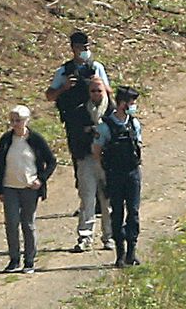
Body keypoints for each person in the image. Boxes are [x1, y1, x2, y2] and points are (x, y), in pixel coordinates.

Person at [45, 31, 113, 209]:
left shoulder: (96, 67)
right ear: (73, 48)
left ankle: (102, 200)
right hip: (75, 124)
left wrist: (96, 83)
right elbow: (50, 95)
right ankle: (86, 201)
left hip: (97, 119)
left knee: (102, 158)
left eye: (87, 47)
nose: (84, 51)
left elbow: (108, 91)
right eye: (81, 48)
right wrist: (64, 87)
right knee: (80, 161)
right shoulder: (64, 71)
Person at [0, 105, 57, 274]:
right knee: (11, 223)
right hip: (10, 188)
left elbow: (51, 161)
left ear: (26, 120)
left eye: (18, 120)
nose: (15, 124)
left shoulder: (36, 139)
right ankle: (14, 259)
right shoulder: (6, 139)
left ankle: (29, 261)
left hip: (30, 188)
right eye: (12, 120)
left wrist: (41, 180)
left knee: (28, 224)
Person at [92, 86, 143, 267]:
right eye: (131, 103)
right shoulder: (105, 126)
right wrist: (103, 173)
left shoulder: (134, 124)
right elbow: (96, 151)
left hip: (132, 173)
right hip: (114, 174)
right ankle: (120, 254)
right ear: (122, 104)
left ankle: (132, 252)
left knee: (134, 213)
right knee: (117, 214)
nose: (134, 106)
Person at [66, 78, 114, 252]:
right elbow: (73, 137)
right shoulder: (80, 112)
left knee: (107, 200)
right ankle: (85, 237)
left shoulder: (112, 112)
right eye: (93, 91)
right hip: (86, 160)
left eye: (99, 91)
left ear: (105, 92)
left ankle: (109, 237)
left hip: (107, 162)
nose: (96, 94)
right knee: (87, 200)